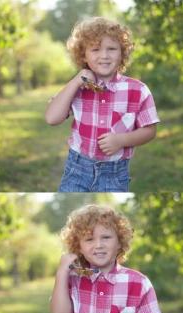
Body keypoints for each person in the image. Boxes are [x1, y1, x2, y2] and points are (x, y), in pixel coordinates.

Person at [45, 17, 160, 192]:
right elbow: (52, 118)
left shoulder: (138, 90)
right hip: (77, 170)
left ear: (122, 53)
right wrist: (76, 80)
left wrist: (122, 140)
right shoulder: (78, 86)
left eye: (112, 49)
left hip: (114, 174)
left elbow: (150, 130)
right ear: (83, 55)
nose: (104, 55)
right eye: (95, 49)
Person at [49, 205, 162, 313]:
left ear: (119, 242)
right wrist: (62, 272)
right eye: (89, 239)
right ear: (78, 246)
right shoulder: (75, 277)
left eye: (106, 237)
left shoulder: (138, 283)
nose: (98, 245)